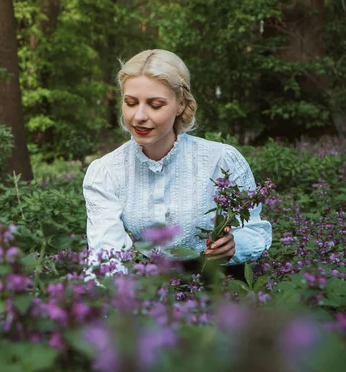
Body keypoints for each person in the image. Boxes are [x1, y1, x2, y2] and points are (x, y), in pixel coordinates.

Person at [83, 49, 272, 279]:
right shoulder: (105, 172)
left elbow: (255, 230)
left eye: (155, 104)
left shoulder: (221, 161)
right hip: (147, 293)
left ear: (180, 104)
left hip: (220, 292)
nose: (139, 116)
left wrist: (234, 246)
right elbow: (107, 257)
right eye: (131, 103)